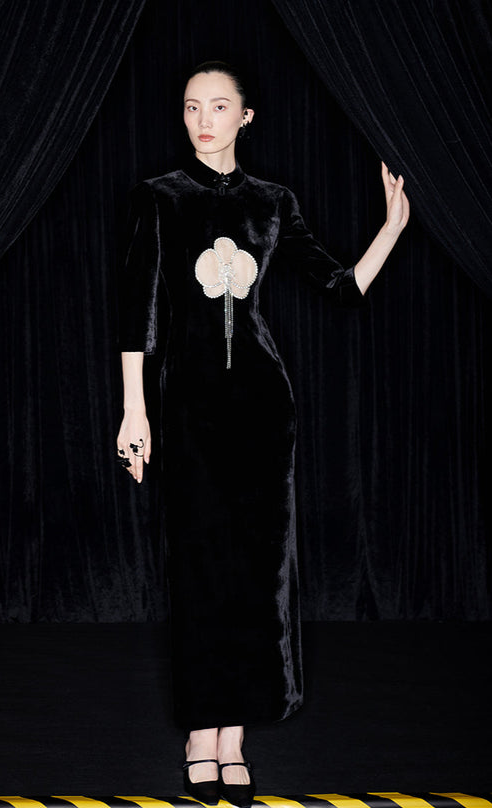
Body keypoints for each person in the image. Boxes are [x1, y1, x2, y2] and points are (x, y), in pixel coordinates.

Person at [116, 61, 409, 807]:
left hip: (262, 410)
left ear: (245, 117)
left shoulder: (273, 202)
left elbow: (339, 286)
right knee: (199, 569)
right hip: (187, 409)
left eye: (219, 107)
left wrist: (391, 230)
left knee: (256, 574)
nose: (203, 119)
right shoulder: (160, 197)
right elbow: (137, 315)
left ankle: (234, 737)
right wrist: (133, 411)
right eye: (192, 107)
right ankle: (200, 730)